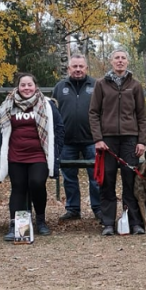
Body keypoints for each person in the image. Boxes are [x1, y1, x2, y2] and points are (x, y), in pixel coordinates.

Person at [0, 73, 64, 240]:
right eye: (23, 85)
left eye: (29, 85)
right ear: (18, 87)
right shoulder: (7, 105)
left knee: (37, 183)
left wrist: (56, 151)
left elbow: (59, 129)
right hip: (15, 154)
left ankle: (40, 220)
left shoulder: (47, 104)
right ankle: (15, 225)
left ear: (35, 86)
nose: (26, 88)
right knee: (18, 187)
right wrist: (0, 149)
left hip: (39, 154)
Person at [89, 49, 146, 236]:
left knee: (130, 182)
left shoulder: (135, 85)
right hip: (107, 141)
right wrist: (98, 139)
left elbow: (141, 115)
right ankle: (108, 223)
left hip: (130, 140)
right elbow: (93, 113)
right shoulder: (101, 84)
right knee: (107, 181)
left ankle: (134, 222)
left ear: (127, 62)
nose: (120, 61)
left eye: (123, 58)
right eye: (117, 58)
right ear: (111, 62)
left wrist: (141, 141)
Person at [52, 54, 101, 222]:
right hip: (66, 142)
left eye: (81, 66)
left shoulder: (96, 86)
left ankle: (98, 208)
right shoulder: (59, 87)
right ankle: (73, 209)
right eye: (75, 66)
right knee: (69, 177)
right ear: (69, 69)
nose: (78, 69)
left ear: (86, 68)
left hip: (92, 140)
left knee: (96, 177)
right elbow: (54, 113)